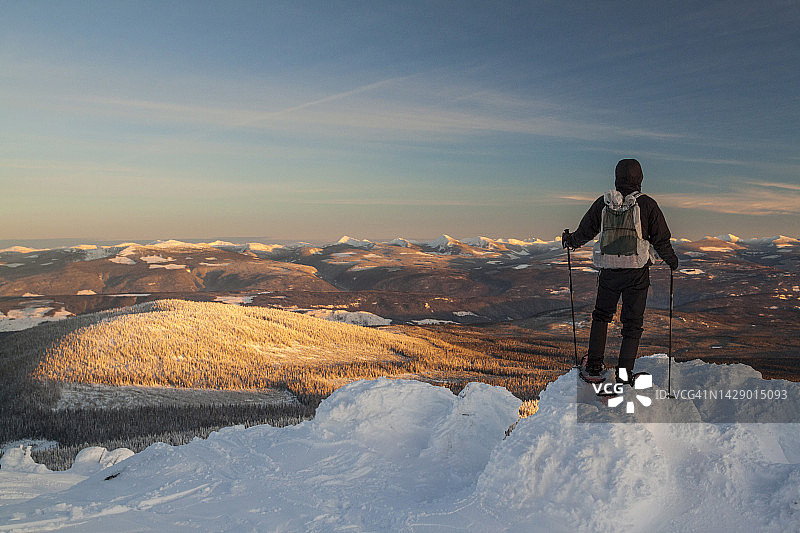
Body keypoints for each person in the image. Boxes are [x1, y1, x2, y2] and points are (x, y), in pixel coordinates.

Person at [562, 158, 678, 384]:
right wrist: (672, 262)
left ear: (616, 178)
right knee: (632, 324)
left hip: (609, 271)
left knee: (601, 316)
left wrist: (570, 241)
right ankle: (624, 376)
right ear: (640, 178)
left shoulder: (604, 203)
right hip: (637, 272)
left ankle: (594, 367)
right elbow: (661, 240)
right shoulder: (647, 205)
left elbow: (585, 232)